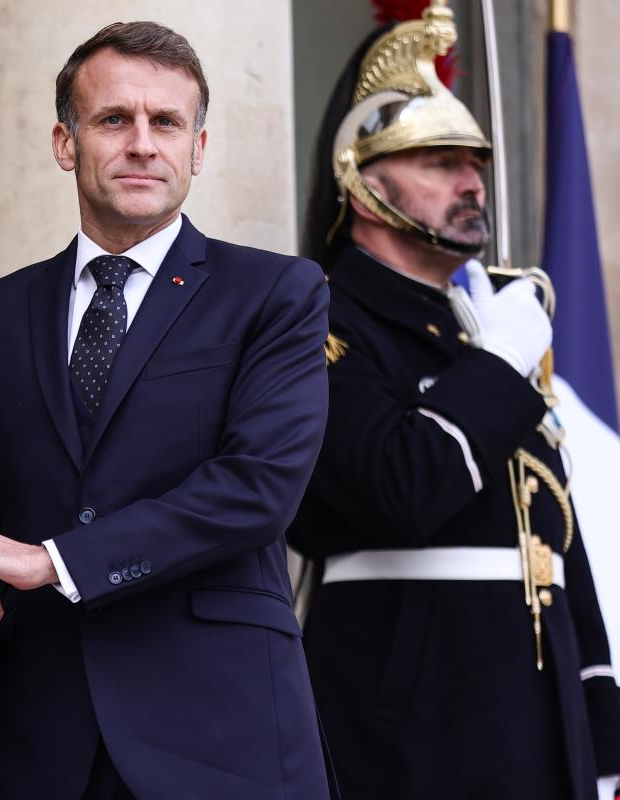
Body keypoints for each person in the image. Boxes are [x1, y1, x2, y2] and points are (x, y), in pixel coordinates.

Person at [0, 21, 337, 799]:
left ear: (198, 149)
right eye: (114, 119)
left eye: (166, 122)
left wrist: (57, 563)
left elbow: (257, 489)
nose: (142, 144)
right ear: (65, 142)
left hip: (222, 738)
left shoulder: (276, 294)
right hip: (48, 738)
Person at [288, 3, 620, 798]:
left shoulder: (481, 324)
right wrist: (499, 364)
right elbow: (396, 487)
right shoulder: (319, 321)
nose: (472, 183)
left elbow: (551, 537)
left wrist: (603, 741)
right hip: (413, 726)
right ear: (362, 185)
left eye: (475, 164)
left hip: (536, 723)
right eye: (439, 163)